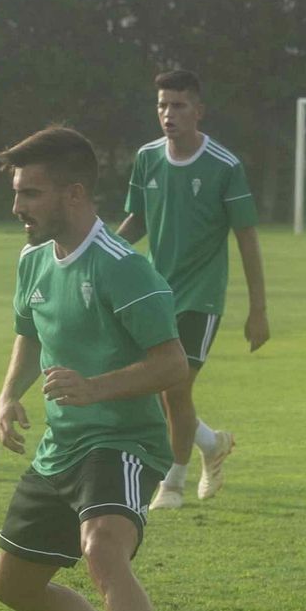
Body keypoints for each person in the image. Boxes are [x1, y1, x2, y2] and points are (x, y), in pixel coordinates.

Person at [0, 126, 187, 611]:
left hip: (124, 442)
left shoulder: (124, 269)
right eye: (18, 192)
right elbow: (30, 331)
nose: (17, 205)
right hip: (62, 446)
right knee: (14, 586)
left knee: (102, 548)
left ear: (74, 194)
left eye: (30, 193)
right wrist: (8, 393)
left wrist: (94, 388)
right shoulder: (32, 260)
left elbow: (173, 364)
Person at [117, 69, 270, 510]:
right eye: (162, 105)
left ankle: (173, 483)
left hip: (201, 296)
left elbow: (246, 237)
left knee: (175, 389)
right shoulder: (147, 158)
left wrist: (258, 309)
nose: (168, 114)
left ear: (198, 111)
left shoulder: (224, 166)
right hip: (154, 293)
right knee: (155, 388)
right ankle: (210, 443)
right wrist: (100, 248)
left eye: (179, 105)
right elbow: (138, 220)